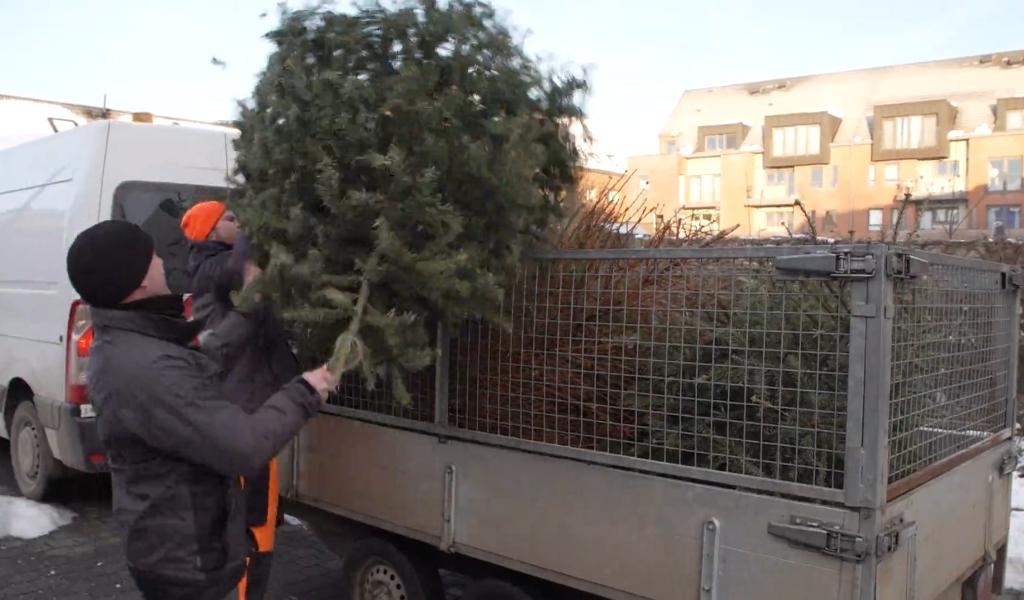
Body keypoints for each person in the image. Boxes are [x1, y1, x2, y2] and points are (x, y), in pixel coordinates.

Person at [65, 220, 334, 600]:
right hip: (188, 563)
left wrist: (248, 313)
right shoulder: (146, 370)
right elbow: (244, 447)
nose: (162, 261)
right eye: (153, 256)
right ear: (138, 279)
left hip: (172, 547)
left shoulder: (128, 341)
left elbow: (194, 353)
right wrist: (306, 391)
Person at [179, 200, 298, 600]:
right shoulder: (210, 267)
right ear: (210, 231)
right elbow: (243, 269)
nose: (239, 223)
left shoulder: (222, 266)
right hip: (245, 407)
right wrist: (264, 211)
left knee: (259, 514)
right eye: (231, 220)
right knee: (255, 519)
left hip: (254, 400)